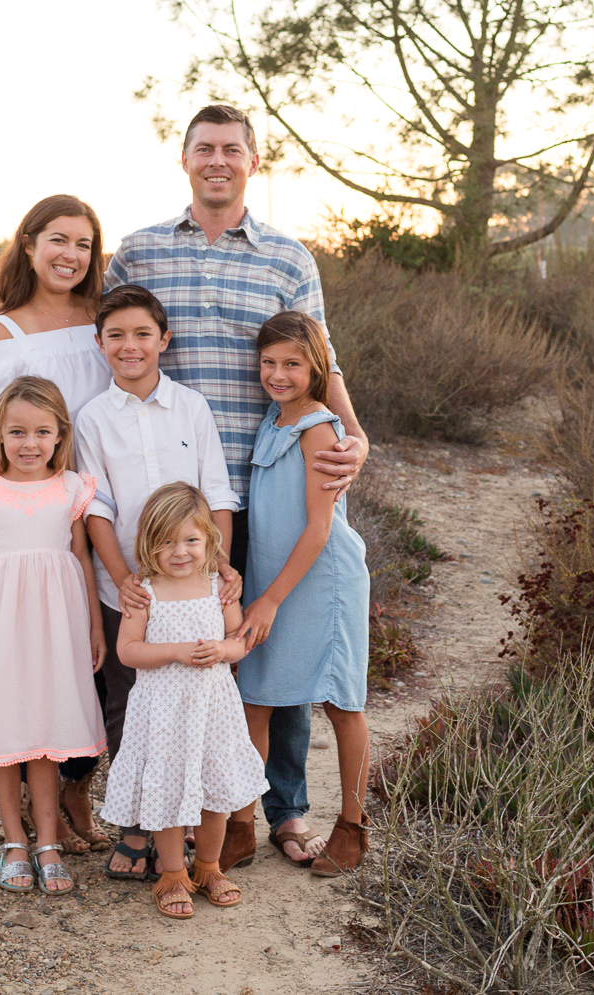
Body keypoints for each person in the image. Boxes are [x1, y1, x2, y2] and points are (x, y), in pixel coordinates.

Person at [0, 104, 373, 871]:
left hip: (251, 478)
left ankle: (268, 807)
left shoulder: (289, 256)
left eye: (232, 149)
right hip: (151, 521)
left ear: (253, 159)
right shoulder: (143, 251)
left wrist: (354, 432)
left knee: (255, 651)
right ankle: (151, 813)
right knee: (146, 666)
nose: (218, 160)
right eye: (204, 149)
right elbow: (96, 322)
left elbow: (325, 357)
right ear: (184, 159)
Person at [0, 193, 117, 852]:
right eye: (58, 240)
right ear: (28, 244)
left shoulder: (104, 319)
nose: (71, 254)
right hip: (33, 514)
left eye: (83, 243)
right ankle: (44, 813)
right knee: (40, 658)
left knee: (96, 657)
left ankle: (81, 786)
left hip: (103, 502)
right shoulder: (2, 334)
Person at [73, 283, 242, 880]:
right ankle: (137, 827)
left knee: (198, 701)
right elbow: (97, 505)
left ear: (164, 340)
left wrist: (221, 566)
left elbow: (216, 489)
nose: (130, 345)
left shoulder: (191, 407)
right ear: (99, 344)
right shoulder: (91, 418)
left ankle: (194, 824)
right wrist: (122, 580)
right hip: (131, 586)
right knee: (131, 705)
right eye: (115, 335)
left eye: (142, 333)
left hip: (194, 583)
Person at [0, 377, 106, 896]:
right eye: (17, 432)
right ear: (0, 434)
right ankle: (14, 839)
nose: (29, 443)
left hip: (55, 632)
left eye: (41, 432)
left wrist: (94, 628)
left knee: (44, 736)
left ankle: (49, 842)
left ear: (60, 435)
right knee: (5, 733)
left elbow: (81, 559)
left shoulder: (72, 489)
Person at [231, 311, 371, 877]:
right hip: (275, 578)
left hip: (323, 582)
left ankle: (353, 828)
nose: (279, 374)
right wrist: (263, 592)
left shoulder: (318, 426)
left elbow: (318, 529)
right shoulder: (274, 419)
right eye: (269, 363)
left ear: (318, 367)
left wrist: (267, 601)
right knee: (256, 698)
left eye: (293, 364)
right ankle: (239, 826)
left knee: (341, 702)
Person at [98, 483, 267, 920]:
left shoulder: (218, 587)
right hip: (162, 712)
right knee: (167, 789)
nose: (180, 551)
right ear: (147, 545)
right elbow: (128, 651)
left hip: (212, 708)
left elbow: (239, 640)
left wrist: (222, 650)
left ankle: (208, 867)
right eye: (166, 542)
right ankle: (172, 872)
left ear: (210, 540)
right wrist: (173, 651)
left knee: (216, 792)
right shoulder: (143, 591)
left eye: (191, 540)